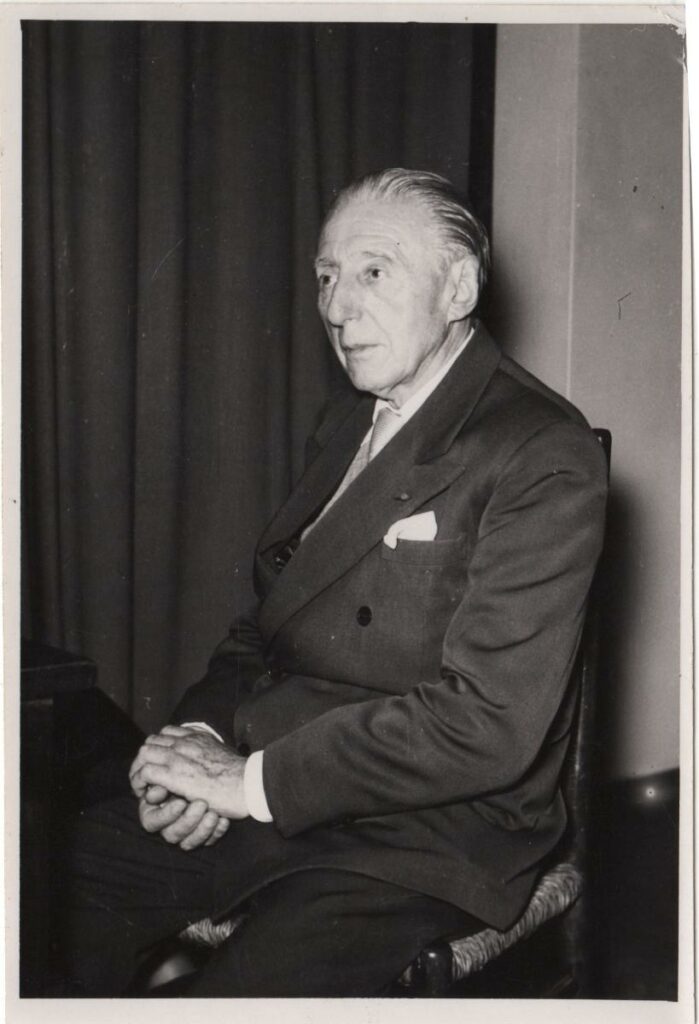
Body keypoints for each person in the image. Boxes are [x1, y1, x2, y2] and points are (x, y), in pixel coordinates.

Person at [63, 168, 608, 997]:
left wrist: (248, 785)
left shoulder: (540, 451)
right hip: (280, 781)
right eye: (326, 277)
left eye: (373, 272)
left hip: (429, 832)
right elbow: (266, 627)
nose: (337, 308)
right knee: (48, 886)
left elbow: (485, 725)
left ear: (457, 288)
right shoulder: (349, 418)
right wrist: (202, 741)